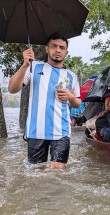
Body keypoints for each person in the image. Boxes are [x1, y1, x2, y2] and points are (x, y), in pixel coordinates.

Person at [8, 32, 81, 169]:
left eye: (62, 47)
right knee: (37, 174)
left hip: (61, 131)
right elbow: (12, 89)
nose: (58, 50)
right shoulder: (33, 67)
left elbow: (77, 102)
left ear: (66, 52)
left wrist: (70, 97)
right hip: (36, 130)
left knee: (58, 172)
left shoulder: (72, 76)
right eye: (54, 46)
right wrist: (24, 65)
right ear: (47, 48)